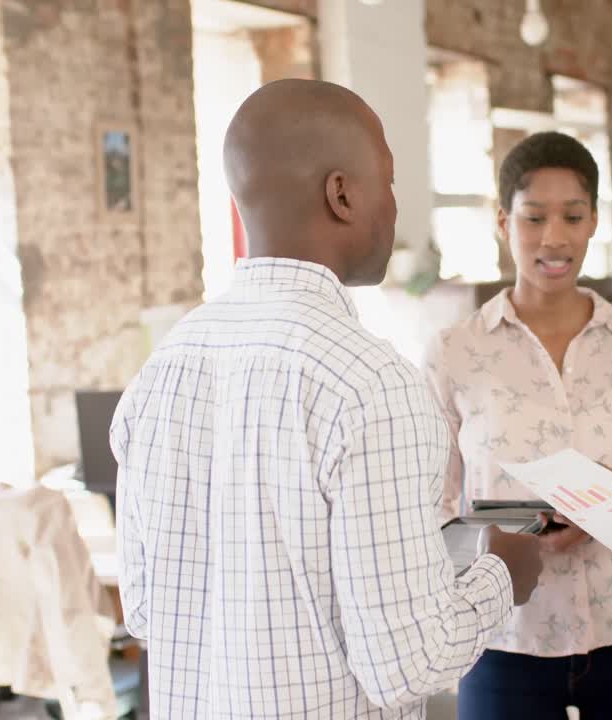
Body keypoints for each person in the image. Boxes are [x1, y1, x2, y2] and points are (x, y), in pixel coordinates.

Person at [110, 79, 543, 720]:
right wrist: (503, 573)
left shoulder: (162, 371)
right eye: (388, 181)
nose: (394, 206)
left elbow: (148, 609)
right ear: (342, 194)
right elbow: (408, 663)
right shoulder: (372, 385)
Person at [423, 131, 612, 719]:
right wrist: (521, 527)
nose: (554, 238)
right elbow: (434, 515)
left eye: (572, 216)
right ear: (503, 222)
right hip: (504, 639)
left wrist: (611, 504)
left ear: (594, 221)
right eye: (534, 217)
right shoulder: (454, 352)